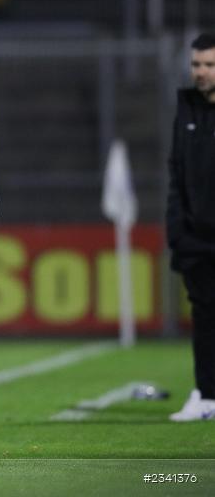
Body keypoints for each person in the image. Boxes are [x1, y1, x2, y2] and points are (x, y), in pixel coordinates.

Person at [167, 32, 215, 421]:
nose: (201, 72)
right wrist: (177, 230)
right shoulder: (186, 106)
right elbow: (176, 171)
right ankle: (206, 395)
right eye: (197, 64)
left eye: (209, 65)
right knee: (203, 315)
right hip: (196, 237)